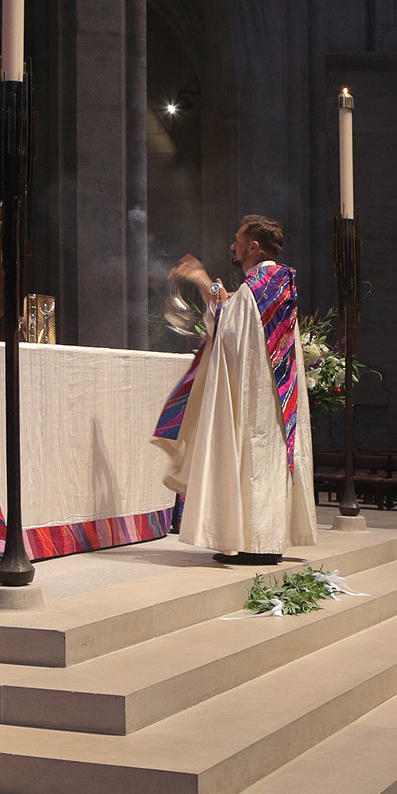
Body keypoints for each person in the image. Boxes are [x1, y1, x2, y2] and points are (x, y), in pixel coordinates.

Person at [157, 214, 320, 561]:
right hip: (273, 391)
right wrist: (216, 293)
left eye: (238, 239)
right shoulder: (274, 281)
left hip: (257, 396)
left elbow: (229, 332)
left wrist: (202, 281)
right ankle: (264, 541)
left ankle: (254, 545)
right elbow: (239, 315)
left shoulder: (262, 283)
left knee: (252, 455)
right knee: (265, 458)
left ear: (253, 246)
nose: (233, 245)